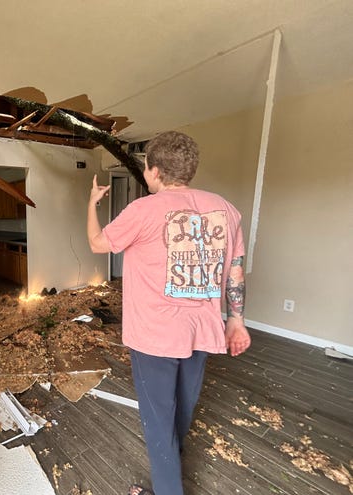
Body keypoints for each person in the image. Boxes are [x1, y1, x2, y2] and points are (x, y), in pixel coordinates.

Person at [86, 131, 251, 495]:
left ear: (155, 170)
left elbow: (98, 244)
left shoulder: (143, 209)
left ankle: (166, 488)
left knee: (158, 420)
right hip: (203, 331)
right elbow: (236, 269)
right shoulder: (226, 210)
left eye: (145, 166)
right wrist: (236, 319)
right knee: (181, 409)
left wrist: (92, 203)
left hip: (154, 335)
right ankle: (172, 465)